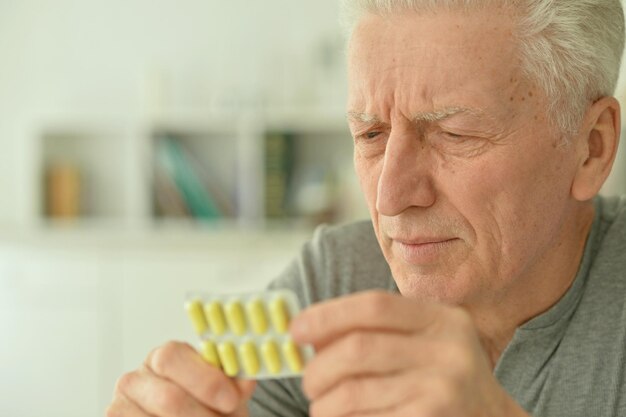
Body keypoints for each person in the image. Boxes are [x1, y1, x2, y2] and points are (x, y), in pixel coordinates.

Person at [107, 0, 626, 416]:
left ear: (592, 147)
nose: (389, 197)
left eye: (454, 133)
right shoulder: (336, 277)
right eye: (370, 134)